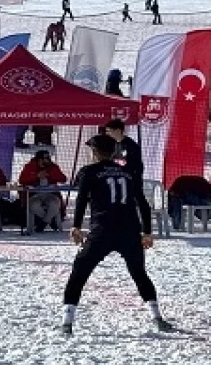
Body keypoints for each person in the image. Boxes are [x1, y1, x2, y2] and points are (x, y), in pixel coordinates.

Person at [60, 134, 174, 336]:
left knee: (79, 272)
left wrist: (76, 226)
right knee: (139, 273)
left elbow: (81, 201)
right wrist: (147, 232)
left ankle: (67, 322)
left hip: (103, 229)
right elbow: (143, 204)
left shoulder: (89, 171)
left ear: (95, 152)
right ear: (113, 152)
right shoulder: (129, 172)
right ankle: (157, 317)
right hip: (129, 229)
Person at [18, 150, 67, 232]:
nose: (45, 161)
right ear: (38, 160)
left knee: (54, 204)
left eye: (47, 159)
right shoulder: (29, 166)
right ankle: (50, 221)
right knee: (34, 205)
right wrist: (36, 176)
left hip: (50, 194)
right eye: (43, 159)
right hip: (34, 194)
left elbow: (63, 179)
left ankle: (44, 223)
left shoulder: (53, 167)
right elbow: (22, 180)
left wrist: (51, 175)